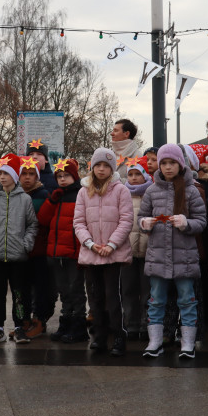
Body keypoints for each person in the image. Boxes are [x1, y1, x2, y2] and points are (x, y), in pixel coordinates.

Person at [138, 144, 208, 359]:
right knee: (156, 300)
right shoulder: (151, 190)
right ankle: (155, 342)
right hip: (158, 258)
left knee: (187, 300)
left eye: (172, 163)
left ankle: (187, 343)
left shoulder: (192, 191)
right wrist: (144, 223)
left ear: (181, 164)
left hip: (184, 258)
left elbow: (202, 222)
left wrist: (187, 223)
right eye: (164, 163)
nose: (168, 167)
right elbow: (141, 217)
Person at [74, 147, 134, 356]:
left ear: (112, 169)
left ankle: (118, 336)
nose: (101, 169)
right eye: (97, 165)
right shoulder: (83, 191)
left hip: (113, 254)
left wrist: (111, 244)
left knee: (113, 297)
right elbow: (79, 222)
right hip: (91, 254)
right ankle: (99, 337)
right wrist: (90, 244)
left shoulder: (121, 190)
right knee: (95, 297)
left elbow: (126, 220)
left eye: (106, 166)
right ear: (92, 167)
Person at [0, 153, 37, 345]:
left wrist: (26, 244)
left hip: (18, 256)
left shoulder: (25, 200)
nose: (2, 176)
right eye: (0, 172)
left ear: (15, 175)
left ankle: (20, 327)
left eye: (6, 172)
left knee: (19, 293)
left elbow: (31, 225)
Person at [37, 157, 87, 343]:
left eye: (66, 175)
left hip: (74, 253)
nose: (63, 179)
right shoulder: (56, 197)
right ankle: (65, 322)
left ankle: (79, 325)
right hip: (56, 252)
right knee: (63, 291)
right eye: (59, 176)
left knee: (76, 290)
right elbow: (43, 219)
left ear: (74, 176)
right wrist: (51, 201)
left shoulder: (81, 195)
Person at [19, 155, 55, 339]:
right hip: (19, 251)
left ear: (37, 176)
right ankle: (22, 321)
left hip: (39, 250)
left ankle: (39, 321)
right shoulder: (14, 195)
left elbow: (46, 222)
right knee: (21, 290)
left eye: (31, 174)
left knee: (41, 289)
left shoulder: (43, 195)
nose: (27, 177)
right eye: (23, 173)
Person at [123, 157, 152, 341]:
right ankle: (130, 324)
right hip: (127, 250)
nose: (134, 178)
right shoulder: (123, 194)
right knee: (128, 289)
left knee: (148, 290)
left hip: (149, 250)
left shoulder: (151, 193)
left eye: (137, 174)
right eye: (130, 174)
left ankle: (146, 323)